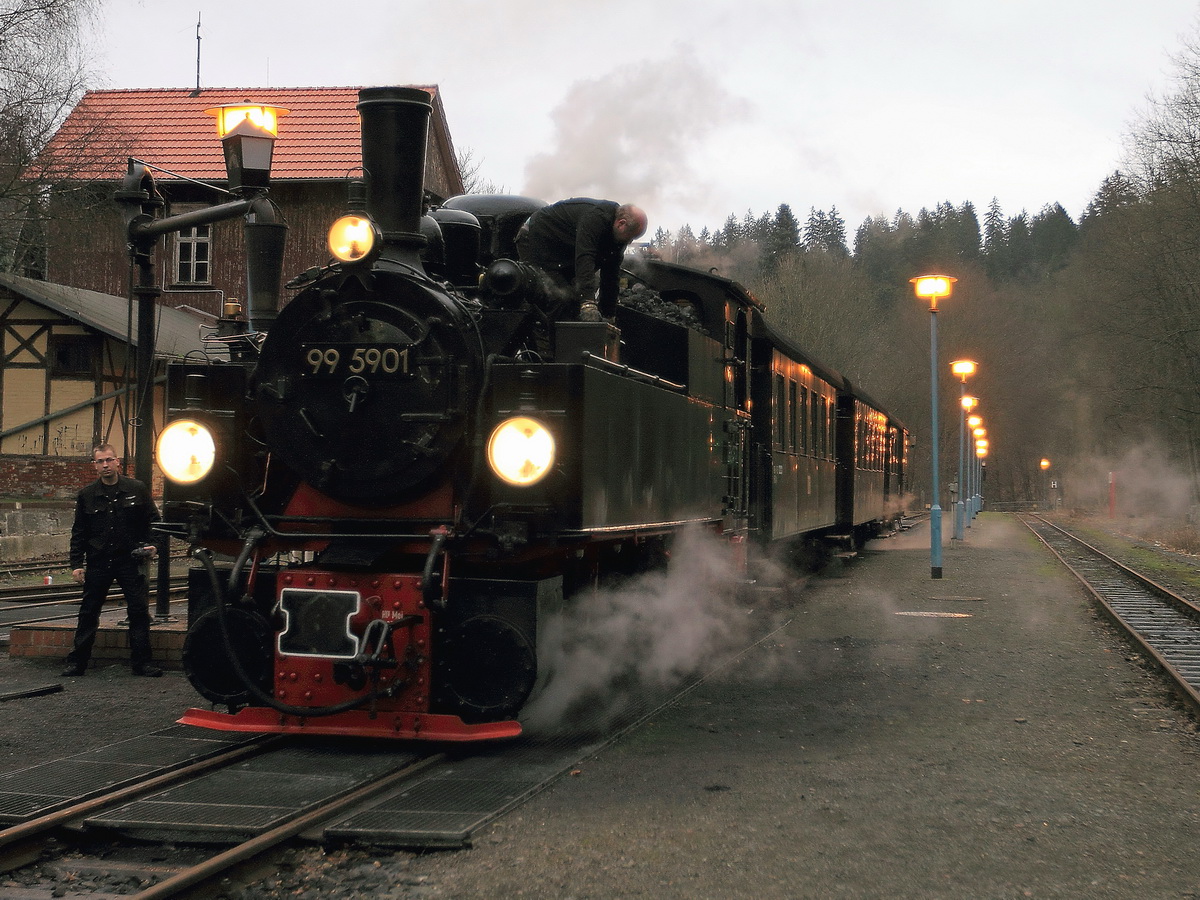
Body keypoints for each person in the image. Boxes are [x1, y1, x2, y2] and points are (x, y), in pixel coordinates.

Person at [61, 443, 163, 677]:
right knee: (89, 611)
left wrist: (154, 544)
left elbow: (154, 521)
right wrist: (76, 565)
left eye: (109, 460)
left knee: (138, 610)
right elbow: (79, 532)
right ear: (95, 465)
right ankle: (77, 662)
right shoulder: (87, 495)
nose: (105, 465)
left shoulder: (136, 489)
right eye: (100, 461)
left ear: (118, 462)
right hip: (99, 561)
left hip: (130, 560)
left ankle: (142, 663)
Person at [515, 198, 648, 322]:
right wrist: (588, 303)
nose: (630, 242)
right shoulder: (595, 218)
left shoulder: (617, 238)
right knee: (560, 298)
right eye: (631, 237)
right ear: (621, 224)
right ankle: (546, 336)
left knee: (574, 300)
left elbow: (611, 276)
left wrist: (608, 314)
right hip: (535, 240)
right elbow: (585, 259)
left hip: (560, 255)